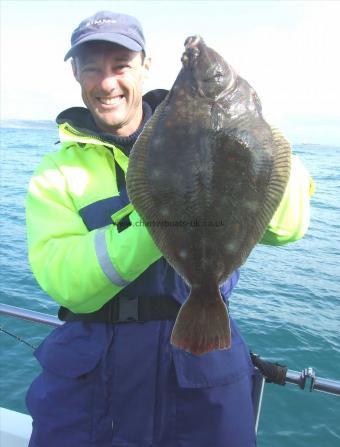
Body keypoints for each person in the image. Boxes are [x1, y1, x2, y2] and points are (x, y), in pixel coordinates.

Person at [25, 10, 313, 447]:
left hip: (202, 378)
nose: (107, 83)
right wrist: (163, 216)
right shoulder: (55, 173)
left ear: (145, 65)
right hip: (89, 390)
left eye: (120, 66)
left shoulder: (236, 129)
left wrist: (257, 134)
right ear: (75, 74)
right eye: (92, 68)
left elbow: (289, 226)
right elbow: (67, 283)